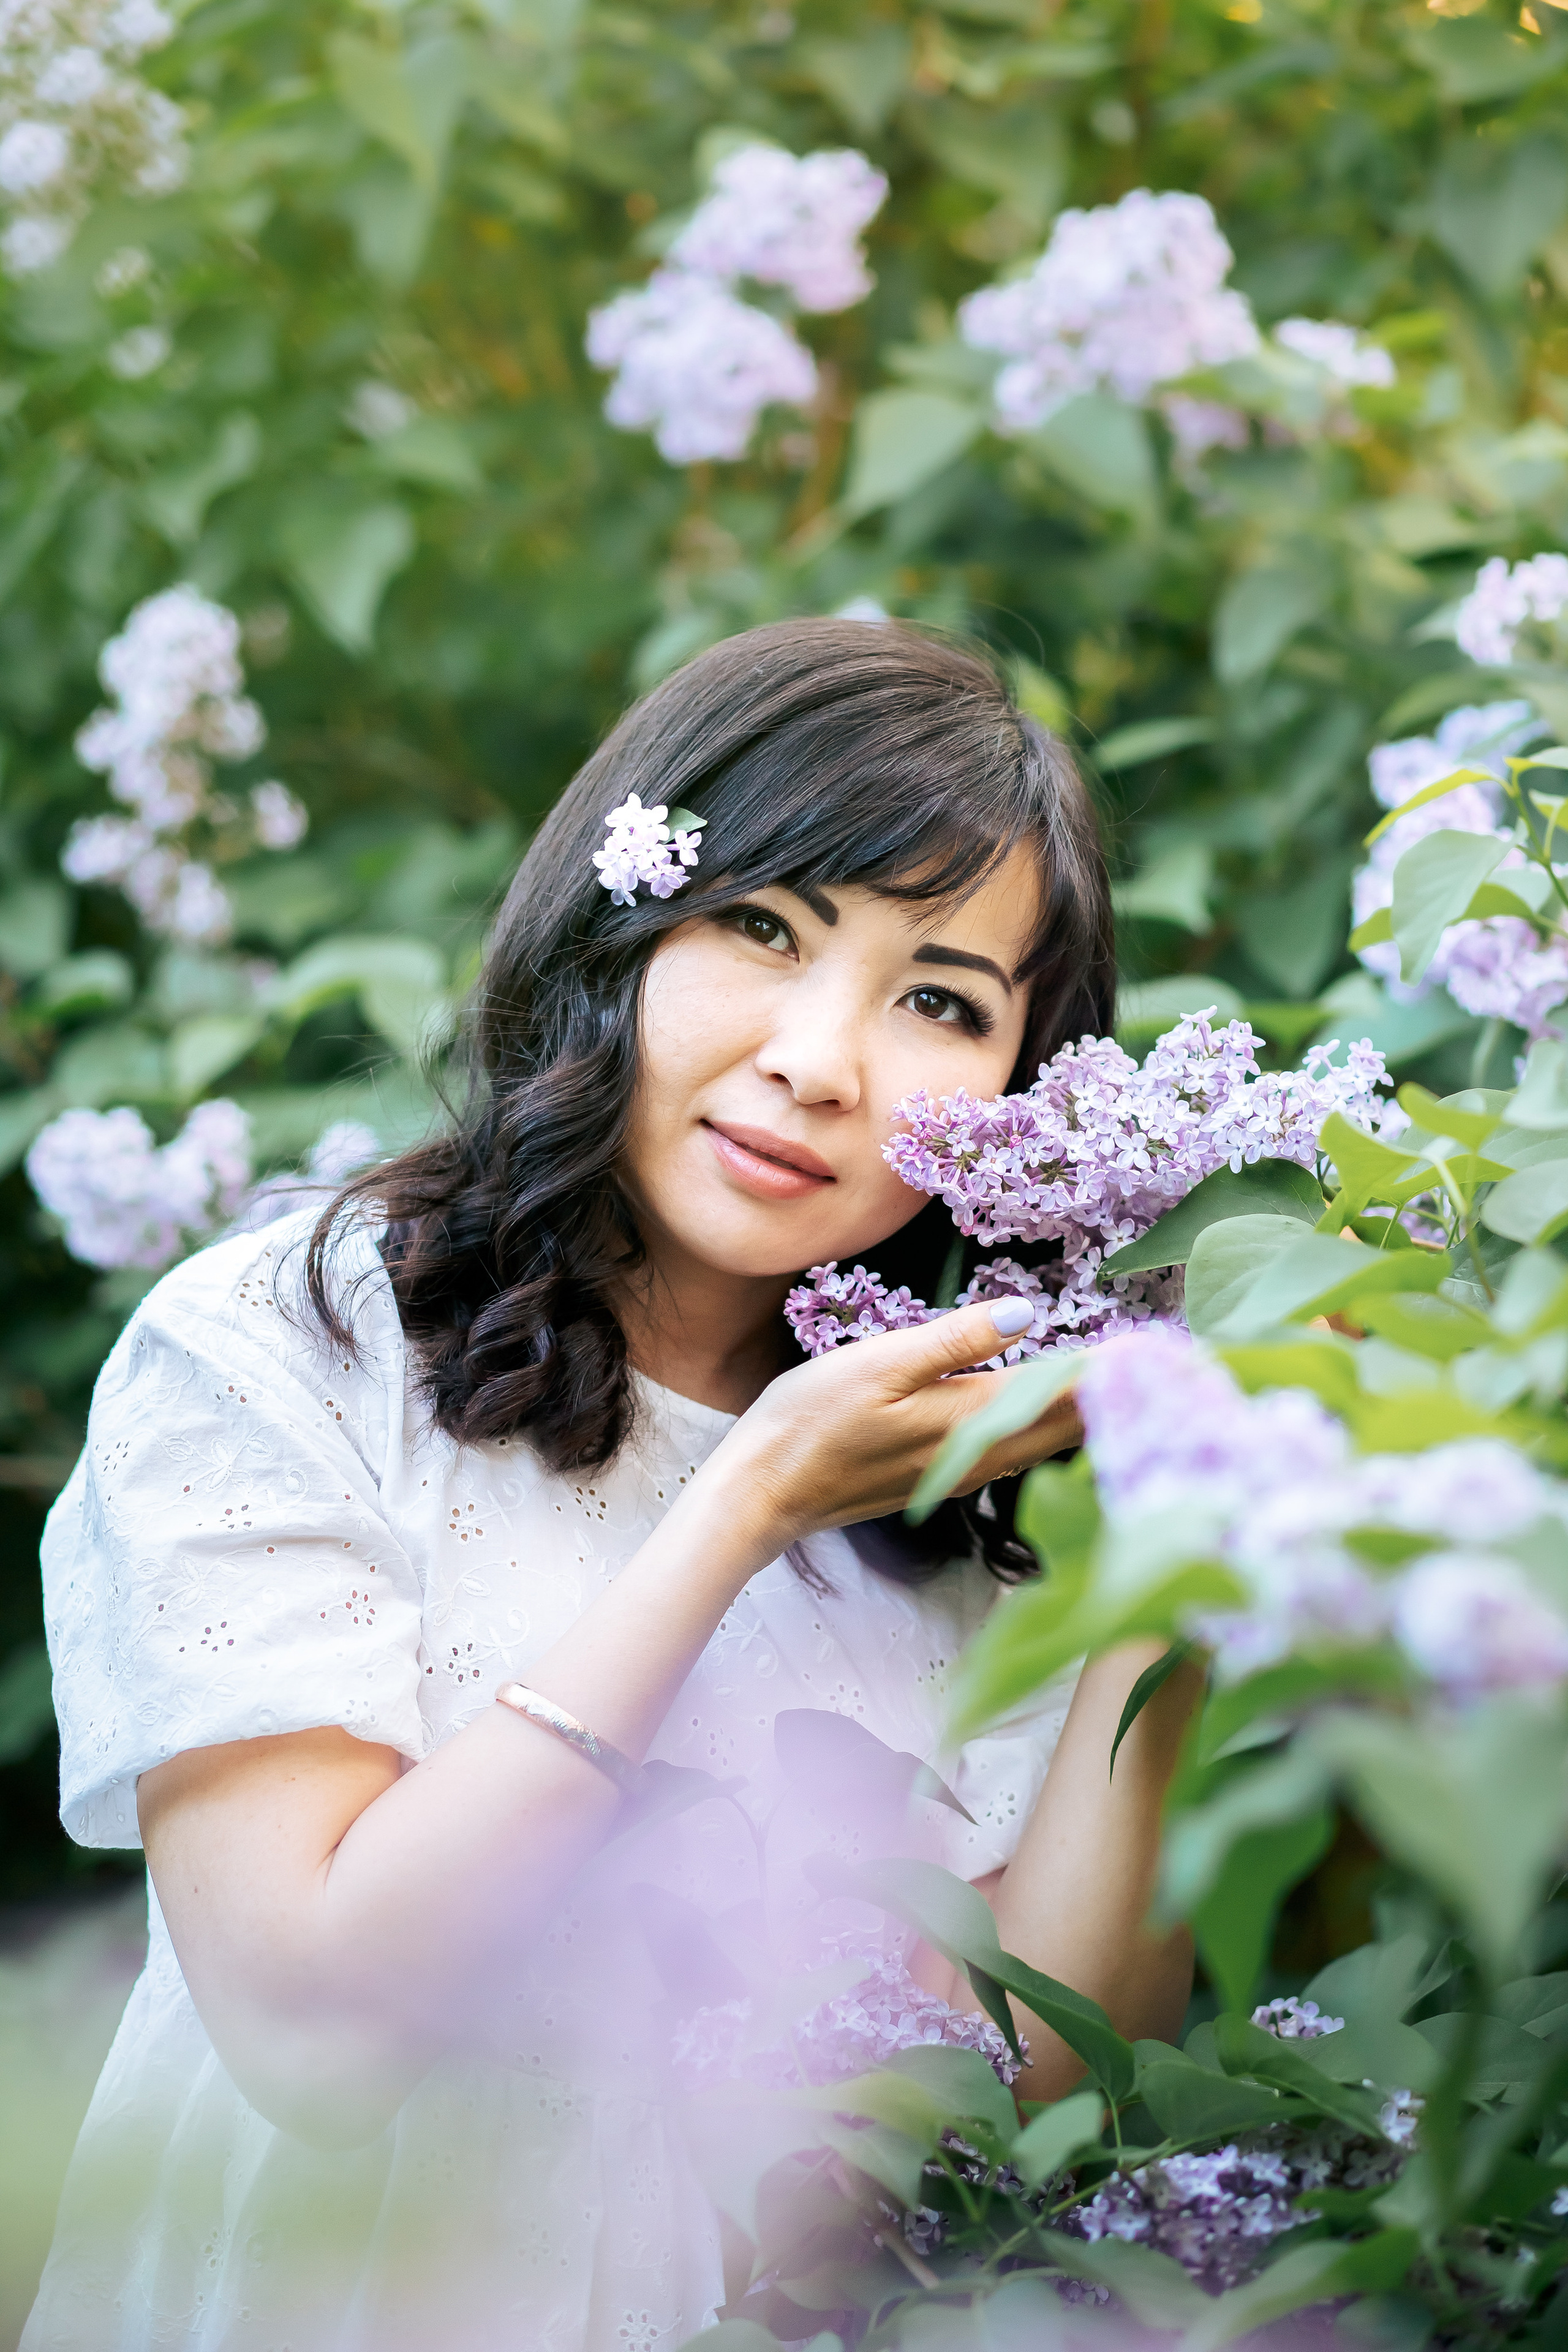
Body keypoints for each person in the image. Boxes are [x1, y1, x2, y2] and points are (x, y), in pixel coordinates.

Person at [28, 620, 1199, 2352]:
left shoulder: (962, 1485)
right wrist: (742, 1512)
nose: (821, 1057)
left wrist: (1177, 1571)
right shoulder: (286, 1350)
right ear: (618, 926)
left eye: (940, 999)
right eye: (762, 930)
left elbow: (1026, 2104)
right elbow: (319, 2034)